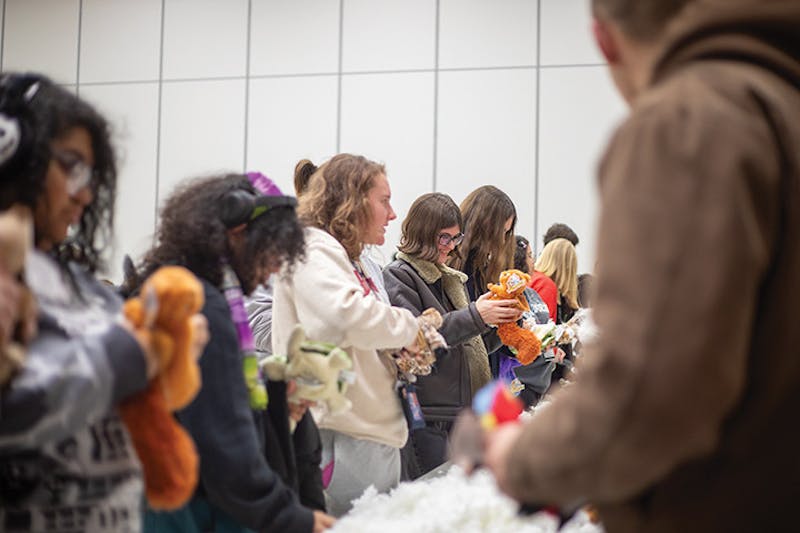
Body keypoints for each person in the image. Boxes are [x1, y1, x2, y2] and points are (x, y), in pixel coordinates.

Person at [485, 0, 800, 531]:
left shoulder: (690, 122)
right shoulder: (780, 106)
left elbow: (649, 389)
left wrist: (519, 458)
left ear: (605, 41)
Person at [0, 72, 203, 532]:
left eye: (91, 174)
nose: (85, 193)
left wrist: (174, 352)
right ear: (13, 151)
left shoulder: (80, 285)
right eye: (70, 166)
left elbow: (129, 396)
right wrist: (134, 354)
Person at [129, 174, 334, 532]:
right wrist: (290, 517)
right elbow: (220, 438)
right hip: (197, 510)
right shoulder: (204, 306)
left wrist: (273, 397)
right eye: (272, 251)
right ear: (237, 232)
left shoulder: (171, 285)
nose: (274, 269)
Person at [271, 154, 420, 516]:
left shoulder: (342, 255)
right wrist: (410, 327)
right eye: (384, 201)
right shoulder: (312, 247)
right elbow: (344, 316)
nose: (392, 213)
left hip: (365, 433)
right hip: (341, 435)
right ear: (352, 202)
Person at [383, 193, 521, 479]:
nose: (450, 247)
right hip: (429, 416)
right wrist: (476, 316)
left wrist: (502, 328)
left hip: (455, 413)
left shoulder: (447, 279)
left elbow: (468, 346)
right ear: (421, 233)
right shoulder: (399, 275)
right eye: (444, 238)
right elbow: (418, 339)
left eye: (455, 239)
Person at [447, 185, 517, 383]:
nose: (503, 241)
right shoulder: (450, 269)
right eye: (501, 232)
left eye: (507, 233)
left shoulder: (482, 270)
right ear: (485, 225)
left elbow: (482, 344)